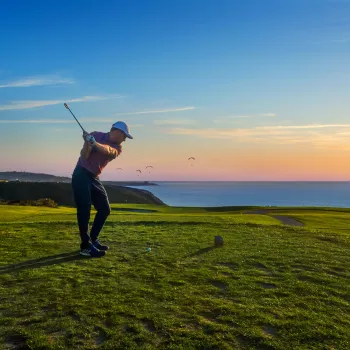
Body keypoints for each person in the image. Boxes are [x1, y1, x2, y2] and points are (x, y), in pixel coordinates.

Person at [72, 121, 133, 257]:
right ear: (117, 132)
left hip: (94, 177)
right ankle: (85, 246)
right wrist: (88, 143)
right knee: (84, 208)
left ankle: (93, 239)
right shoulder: (94, 135)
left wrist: (95, 143)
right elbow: (84, 156)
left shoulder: (118, 148)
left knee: (105, 209)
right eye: (124, 136)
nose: (124, 140)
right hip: (81, 173)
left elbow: (107, 150)